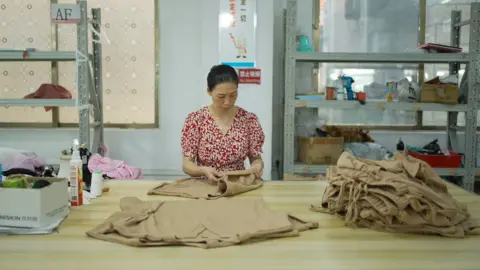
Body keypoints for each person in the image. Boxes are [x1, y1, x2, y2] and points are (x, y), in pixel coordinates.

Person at [181, 64, 265, 181]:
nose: (227, 102)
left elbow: (256, 157)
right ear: (209, 91)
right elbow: (187, 164)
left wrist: (257, 166)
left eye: (233, 95)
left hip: (239, 184)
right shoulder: (196, 120)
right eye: (221, 96)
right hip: (206, 184)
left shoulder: (249, 120)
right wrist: (202, 170)